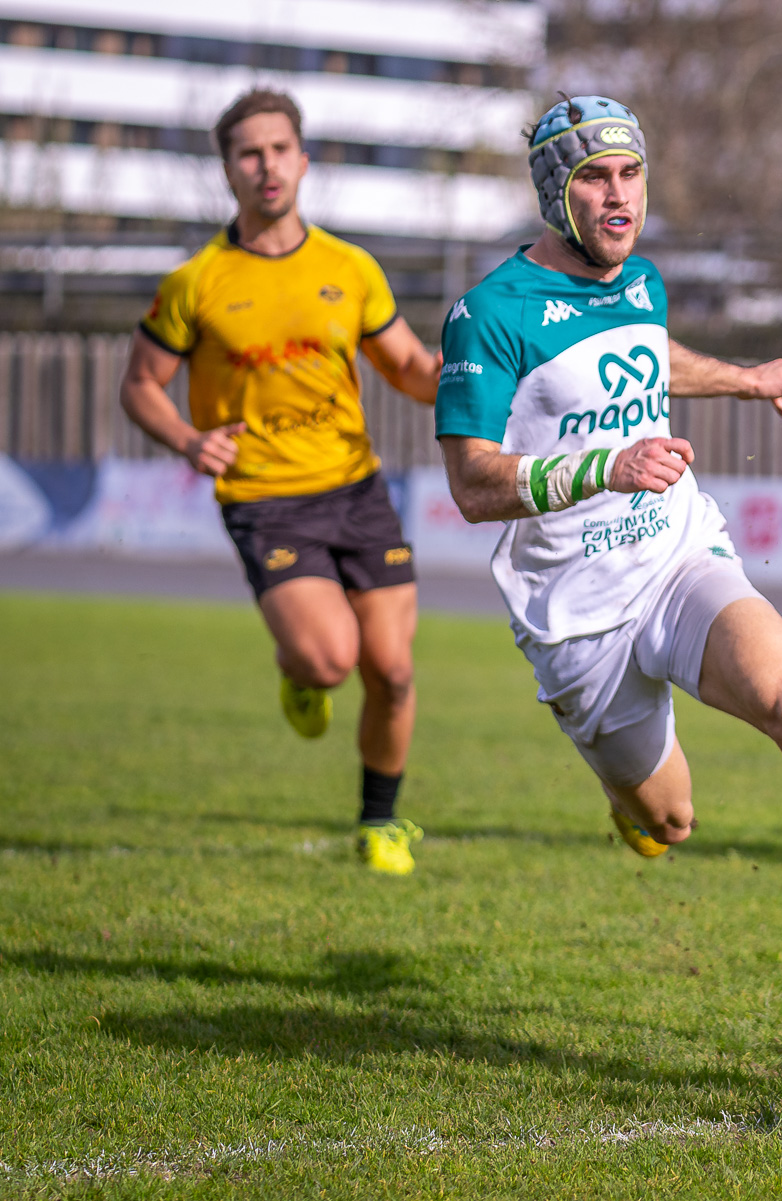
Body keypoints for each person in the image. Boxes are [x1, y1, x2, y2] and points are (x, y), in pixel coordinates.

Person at [433, 96, 782, 1003]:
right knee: (671, 817)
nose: (619, 197)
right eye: (593, 178)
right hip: (578, 613)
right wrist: (604, 466)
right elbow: (470, 483)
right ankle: (633, 808)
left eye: (630, 174)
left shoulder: (640, 279)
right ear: (554, 192)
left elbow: (646, 351)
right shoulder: (488, 315)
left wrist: (746, 379)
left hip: (678, 558)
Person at [120, 90, 442, 875]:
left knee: (394, 670)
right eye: (248, 152)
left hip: (358, 490)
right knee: (333, 660)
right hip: (266, 502)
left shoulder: (350, 267)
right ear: (228, 168)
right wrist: (189, 439)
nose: (266, 165)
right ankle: (299, 673)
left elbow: (411, 370)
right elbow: (139, 386)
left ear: (303, 159)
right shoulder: (197, 282)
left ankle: (379, 823)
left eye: (279, 148)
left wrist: (487, 371)